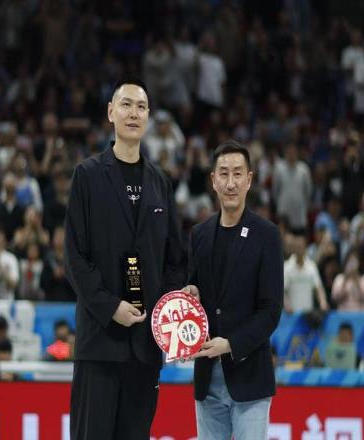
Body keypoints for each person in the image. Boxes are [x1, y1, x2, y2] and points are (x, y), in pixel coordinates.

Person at [65, 78, 186, 440]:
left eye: (141, 107)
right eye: (126, 105)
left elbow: (175, 259)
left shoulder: (160, 182)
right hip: (100, 341)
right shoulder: (87, 175)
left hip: (145, 347)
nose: (134, 113)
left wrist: (163, 313)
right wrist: (109, 306)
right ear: (110, 112)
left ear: (148, 117)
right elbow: (74, 257)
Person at [184, 140, 283, 440]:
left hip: (250, 378)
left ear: (249, 179)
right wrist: (190, 293)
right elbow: (193, 289)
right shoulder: (199, 234)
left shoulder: (267, 235)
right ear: (213, 180)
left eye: (238, 174)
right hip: (207, 380)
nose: (230, 183)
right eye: (224, 174)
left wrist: (230, 344)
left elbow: (270, 311)